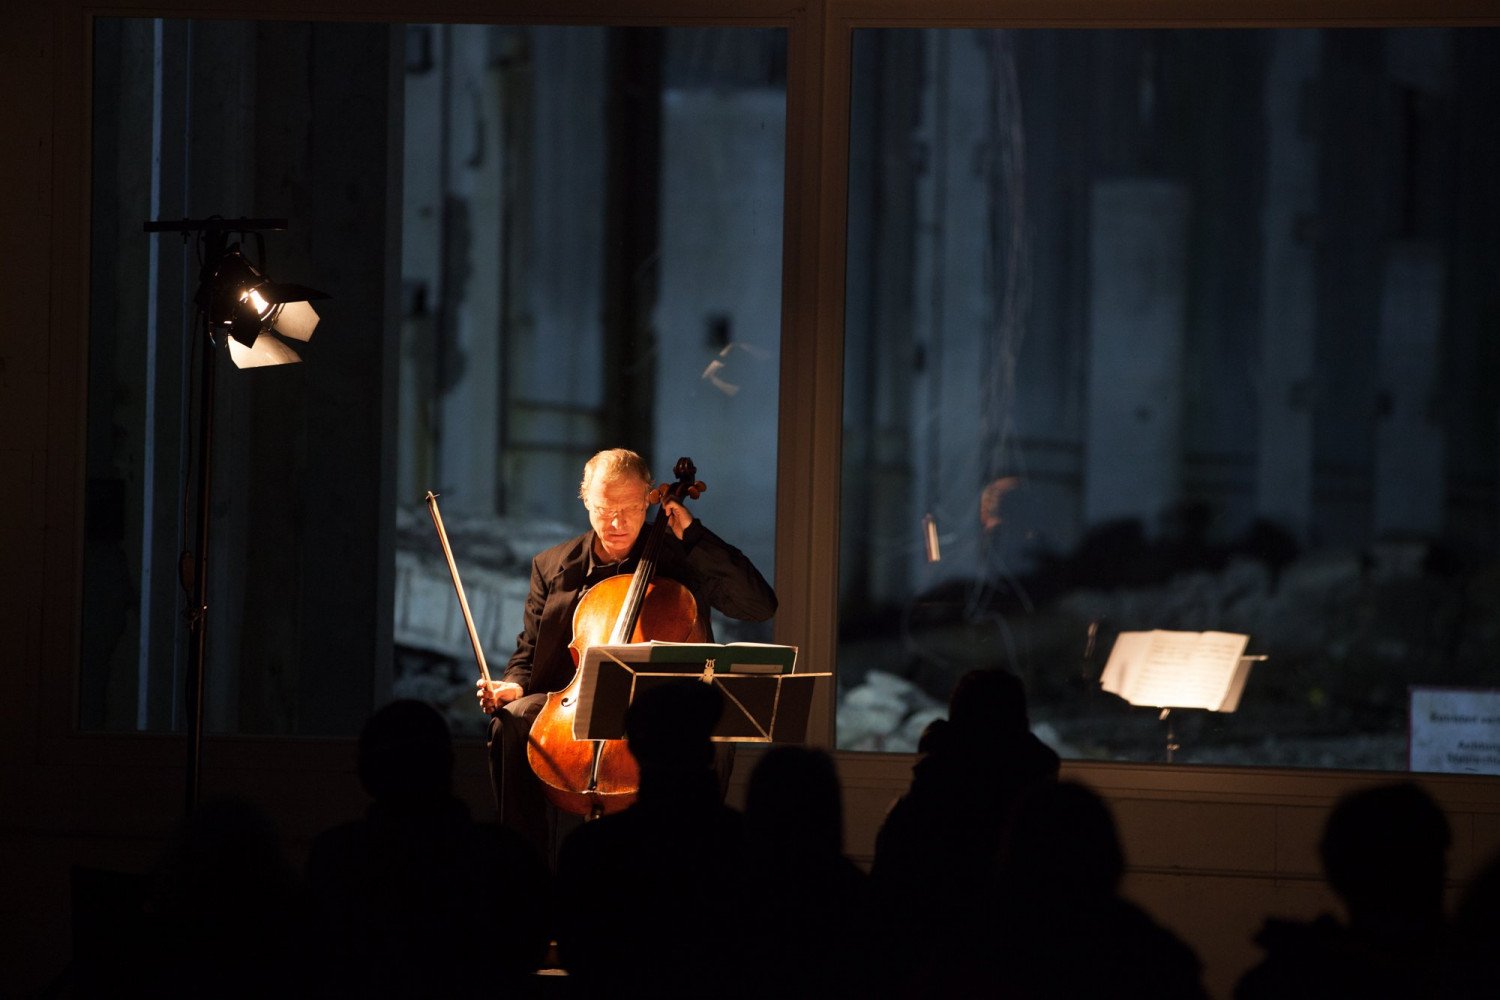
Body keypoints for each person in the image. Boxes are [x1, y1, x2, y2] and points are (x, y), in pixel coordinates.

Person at [475, 447, 777, 859]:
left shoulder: (681, 559)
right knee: (509, 723)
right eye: (603, 508)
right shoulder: (552, 566)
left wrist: (693, 535)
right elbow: (528, 653)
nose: (616, 522)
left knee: (714, 735)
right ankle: (523, 870)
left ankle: (695, 865)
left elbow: (758, 606)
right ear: (585, 501)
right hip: (574, 709)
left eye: (631, 508)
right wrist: (512, 685)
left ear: (651, 499)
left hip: (660, 714)